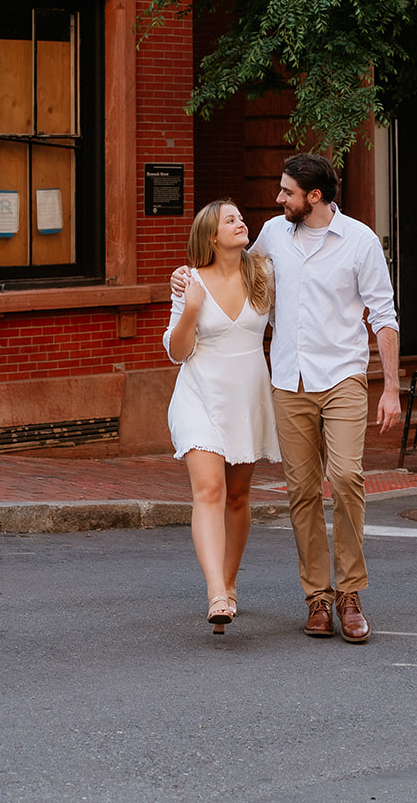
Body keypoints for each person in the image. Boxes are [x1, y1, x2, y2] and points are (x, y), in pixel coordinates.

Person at [172, 153, 401, 644]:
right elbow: (228, 266)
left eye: (286, 192)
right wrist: (185, 279)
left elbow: (384, 316)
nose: (277, 200)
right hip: (288, 382)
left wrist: (393, 389)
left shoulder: (360, 241)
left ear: (313, 197)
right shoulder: (274, 236)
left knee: (344, 477)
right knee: (300, 492)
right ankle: (317, 599)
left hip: (342, 377)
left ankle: (350, 594)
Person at [164, 197, 279, 633]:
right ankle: (215, 592)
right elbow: (177, 352)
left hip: (247, 398)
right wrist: (191, 307)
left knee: (237, 496)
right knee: (209, 489)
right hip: (199, 394)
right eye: (229, 220)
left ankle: (230, 584)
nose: (240, 223)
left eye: (240, 218)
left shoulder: (264, 274)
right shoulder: (189, 282)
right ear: (211, 235)